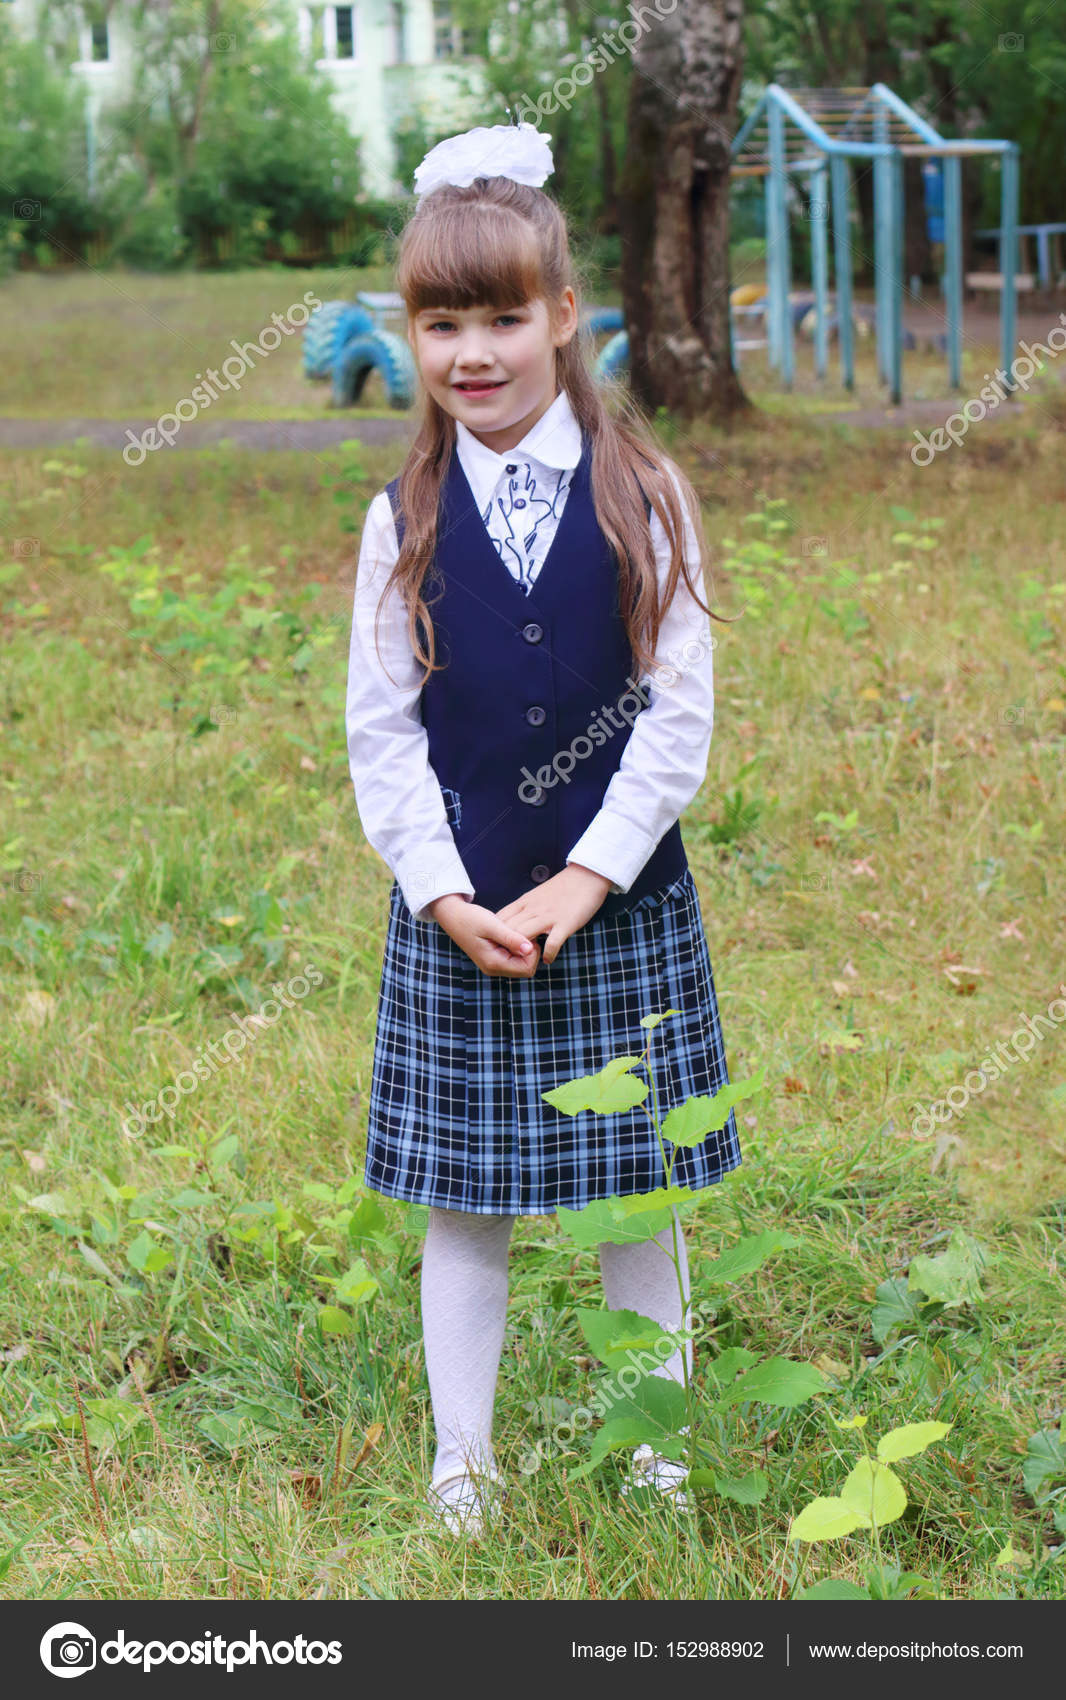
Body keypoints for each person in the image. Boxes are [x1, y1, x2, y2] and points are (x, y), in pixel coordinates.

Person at [345, 121, 741, 1537]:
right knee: (467, 1200)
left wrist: (583, 878)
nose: (472, 351)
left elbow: (673, 723)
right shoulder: (401, 518)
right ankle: (464, 1464)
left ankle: (658, 1456)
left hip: (616, 907)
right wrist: (444, 893)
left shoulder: (648, 495)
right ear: (414, 335)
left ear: (563, 316)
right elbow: (381, 735)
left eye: (502, 316)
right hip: (459, 916)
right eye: (441, 321)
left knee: (636, 1195)